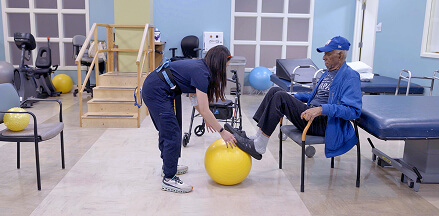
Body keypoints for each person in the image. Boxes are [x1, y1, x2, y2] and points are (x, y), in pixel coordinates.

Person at [225, 36, 362, 160]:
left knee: (280, 97)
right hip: (310, 115)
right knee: (275, 91)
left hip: (325, 123)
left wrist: (321, 109)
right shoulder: (328, 73)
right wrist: (295, 97)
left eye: (328, 54)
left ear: (340, 55)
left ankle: (259, 146)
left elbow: (353, 111)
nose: (323, 57)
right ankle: (257, 137)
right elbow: (316, 96)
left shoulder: (350, 76)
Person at [142, 45, 236, 193]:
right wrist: (222, 131)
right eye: (225, 66)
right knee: (171, 133)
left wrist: (207, 117)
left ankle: (168, 166)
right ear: (219, 63)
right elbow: (205, 109)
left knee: (172, 130)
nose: (225, 70)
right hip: (156, 90)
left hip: (166, 89)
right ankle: (169, 179)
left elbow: (194, 99)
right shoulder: (201, 72)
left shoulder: (203, 68)